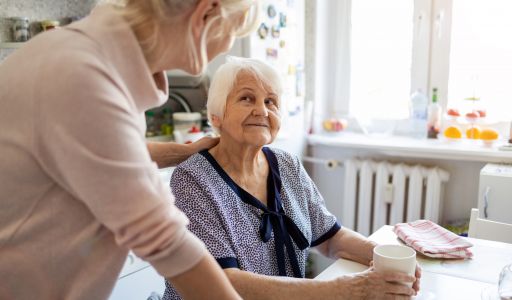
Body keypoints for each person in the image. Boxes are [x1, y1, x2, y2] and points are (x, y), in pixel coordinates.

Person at [0, 1, 259, 299]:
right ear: (205, 14)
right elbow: (165, 240)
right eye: (233, 32)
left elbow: (113, 151)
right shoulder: (83, 77)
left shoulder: (94, 62)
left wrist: (187, 151)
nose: (228, 45)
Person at [163, 57, 422, 300]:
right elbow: (222, 281)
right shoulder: (192, 180)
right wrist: (339, 290)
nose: (262, 111)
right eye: (246, 98)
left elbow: (330, 237)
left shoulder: (286, 164)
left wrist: (382, 257)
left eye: (271, 102)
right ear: (216, 115)